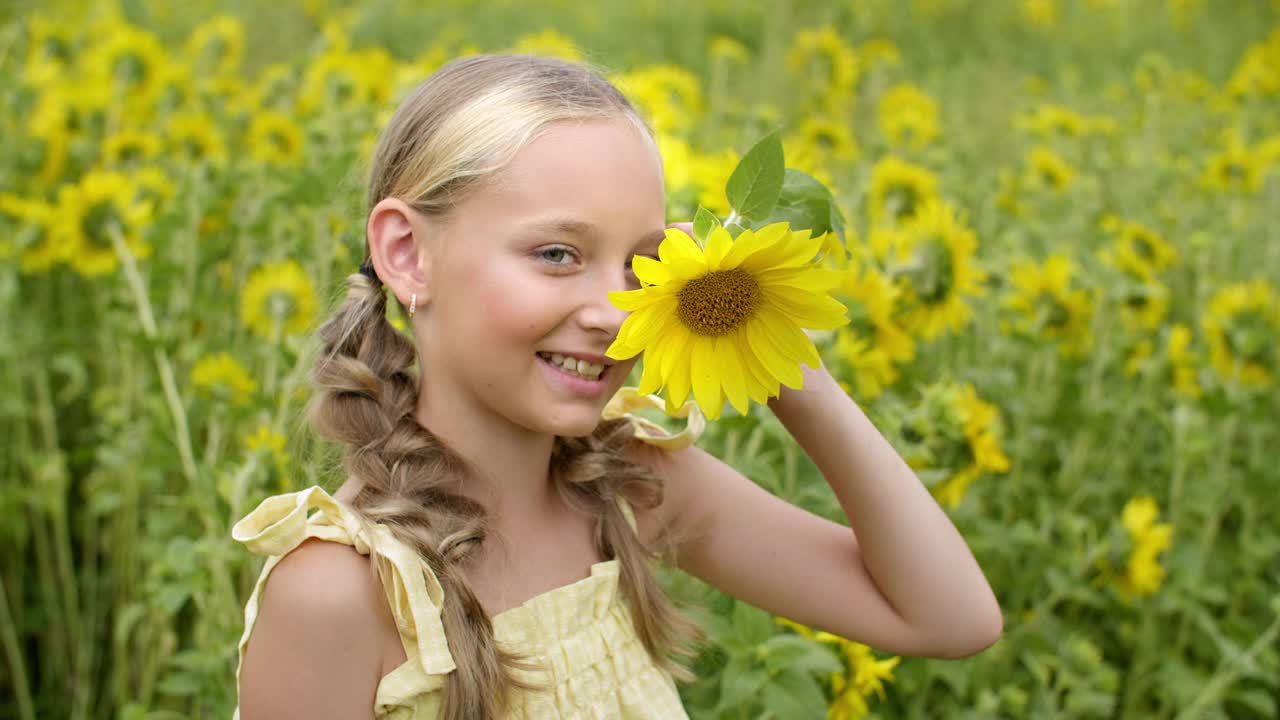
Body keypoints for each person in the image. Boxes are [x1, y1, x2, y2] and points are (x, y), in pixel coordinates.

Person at [232, 53, 1003, 720]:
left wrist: (775, 354)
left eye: (642, 267)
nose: (616, 316)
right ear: (407, 253)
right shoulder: (340, 592)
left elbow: (947, 618)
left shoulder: (629, 489)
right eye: (559, 255)